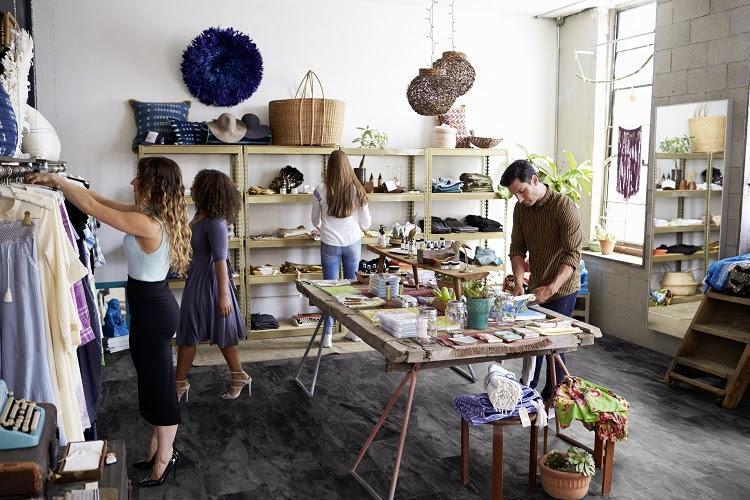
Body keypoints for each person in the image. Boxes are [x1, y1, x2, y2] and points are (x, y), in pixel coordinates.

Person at [28, 157, 192, 488]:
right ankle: (156, 447)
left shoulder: (149, 224)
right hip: (149, 308)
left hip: (154, 312)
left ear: (153, 183)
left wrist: (55, 181)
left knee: (160, 385)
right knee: (151, 382)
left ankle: (165, 456)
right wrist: (67, 186)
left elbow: (90, 205)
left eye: (138, 178)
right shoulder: (150, 216)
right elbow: (98, 200)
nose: (132, 183)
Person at [500, 159, 582, 400]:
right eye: (515, 194)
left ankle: (553, 397)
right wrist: (518, 281)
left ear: (535, 180)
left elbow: (573, 254)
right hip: (535, 286)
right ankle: (529, 392)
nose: (520, 199)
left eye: (522, 191)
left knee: (553, 345)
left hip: (563, 287)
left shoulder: (564, 207)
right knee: (532, 340)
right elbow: (517, 249)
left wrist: (552, 287)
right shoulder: (521, 209)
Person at [175, 169, 250, 400]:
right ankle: (181, 382)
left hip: (212, 283)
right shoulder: (200, 215)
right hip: (197, 278)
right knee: (190, 331)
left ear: (207, 190)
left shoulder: (215, 222)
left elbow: (220, 259)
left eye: (197, 185)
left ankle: (179, 383)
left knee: (219, 332)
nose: (192, 188)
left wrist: (224, 295)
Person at [311, 150, 371, 347]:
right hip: (353, 242)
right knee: (353, 289)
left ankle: (327, 335)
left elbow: (314, 220)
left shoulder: (320, 189)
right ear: (348, 166)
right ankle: (354, 332)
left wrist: (325, 228)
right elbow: (367, 223)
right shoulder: (357, 189)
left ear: (329, 167)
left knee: (329, 290)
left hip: (329, 242)